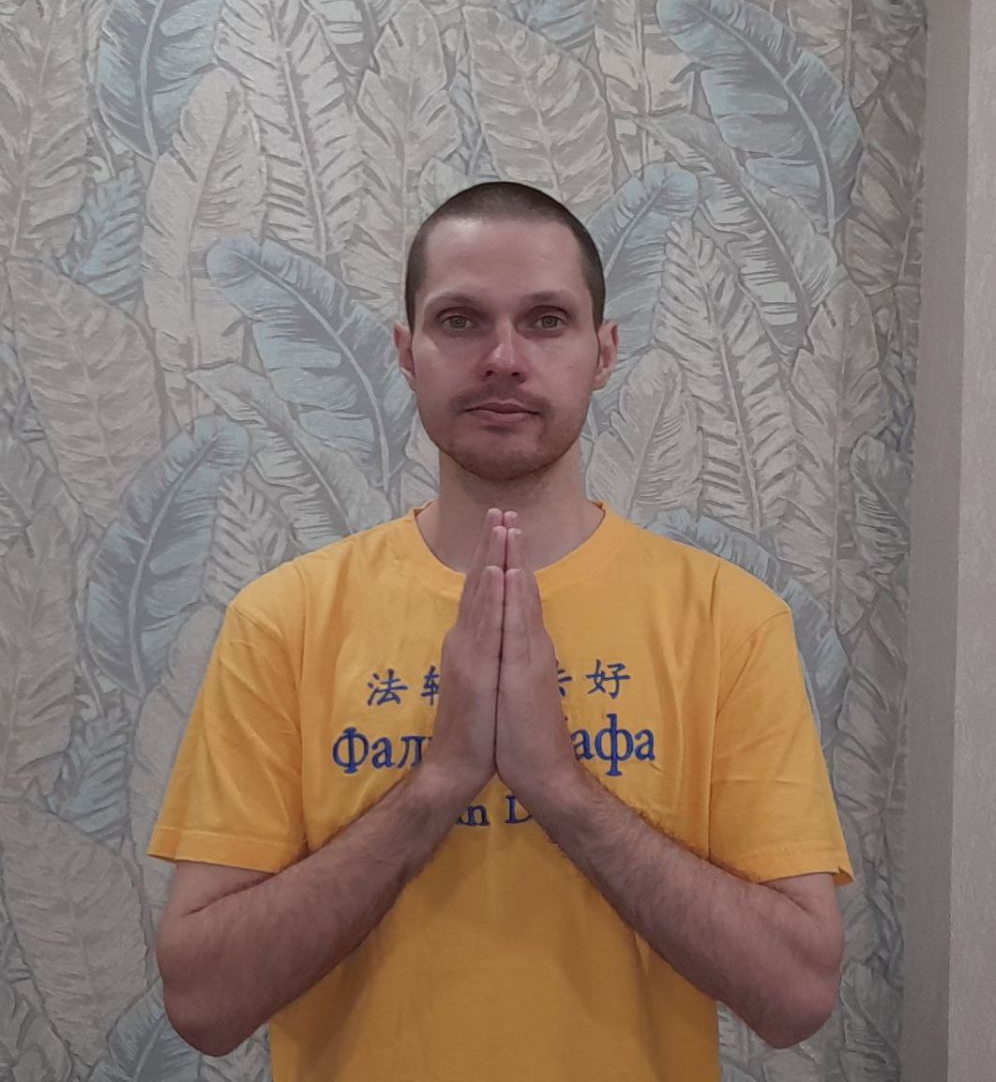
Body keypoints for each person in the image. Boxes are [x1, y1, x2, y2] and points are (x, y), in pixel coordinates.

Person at [149, 182, 854, 1082]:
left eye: (547, 321)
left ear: (604, 353)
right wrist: (437, 782)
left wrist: (558, 785)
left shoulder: (730, 621)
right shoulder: (282, 621)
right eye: (460, 321)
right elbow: (203, 1005)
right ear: (406, 354)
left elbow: (797, 997)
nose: (504, 359)